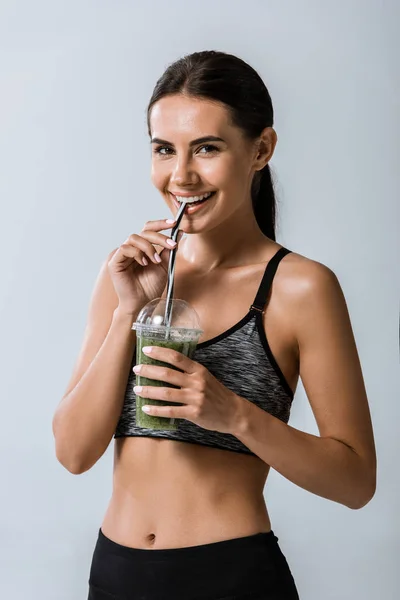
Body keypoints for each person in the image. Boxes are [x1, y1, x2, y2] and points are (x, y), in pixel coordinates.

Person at [52, 50, 377, 600]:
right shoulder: (126, 274)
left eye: (207, 147)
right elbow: (74, 453)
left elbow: (355, 481)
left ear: (261, 150)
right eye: (164, 150)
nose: (181, 175)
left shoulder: (300, 289)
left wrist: (234, 415)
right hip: (114, 574)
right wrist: (128, 311)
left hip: (229, 578)